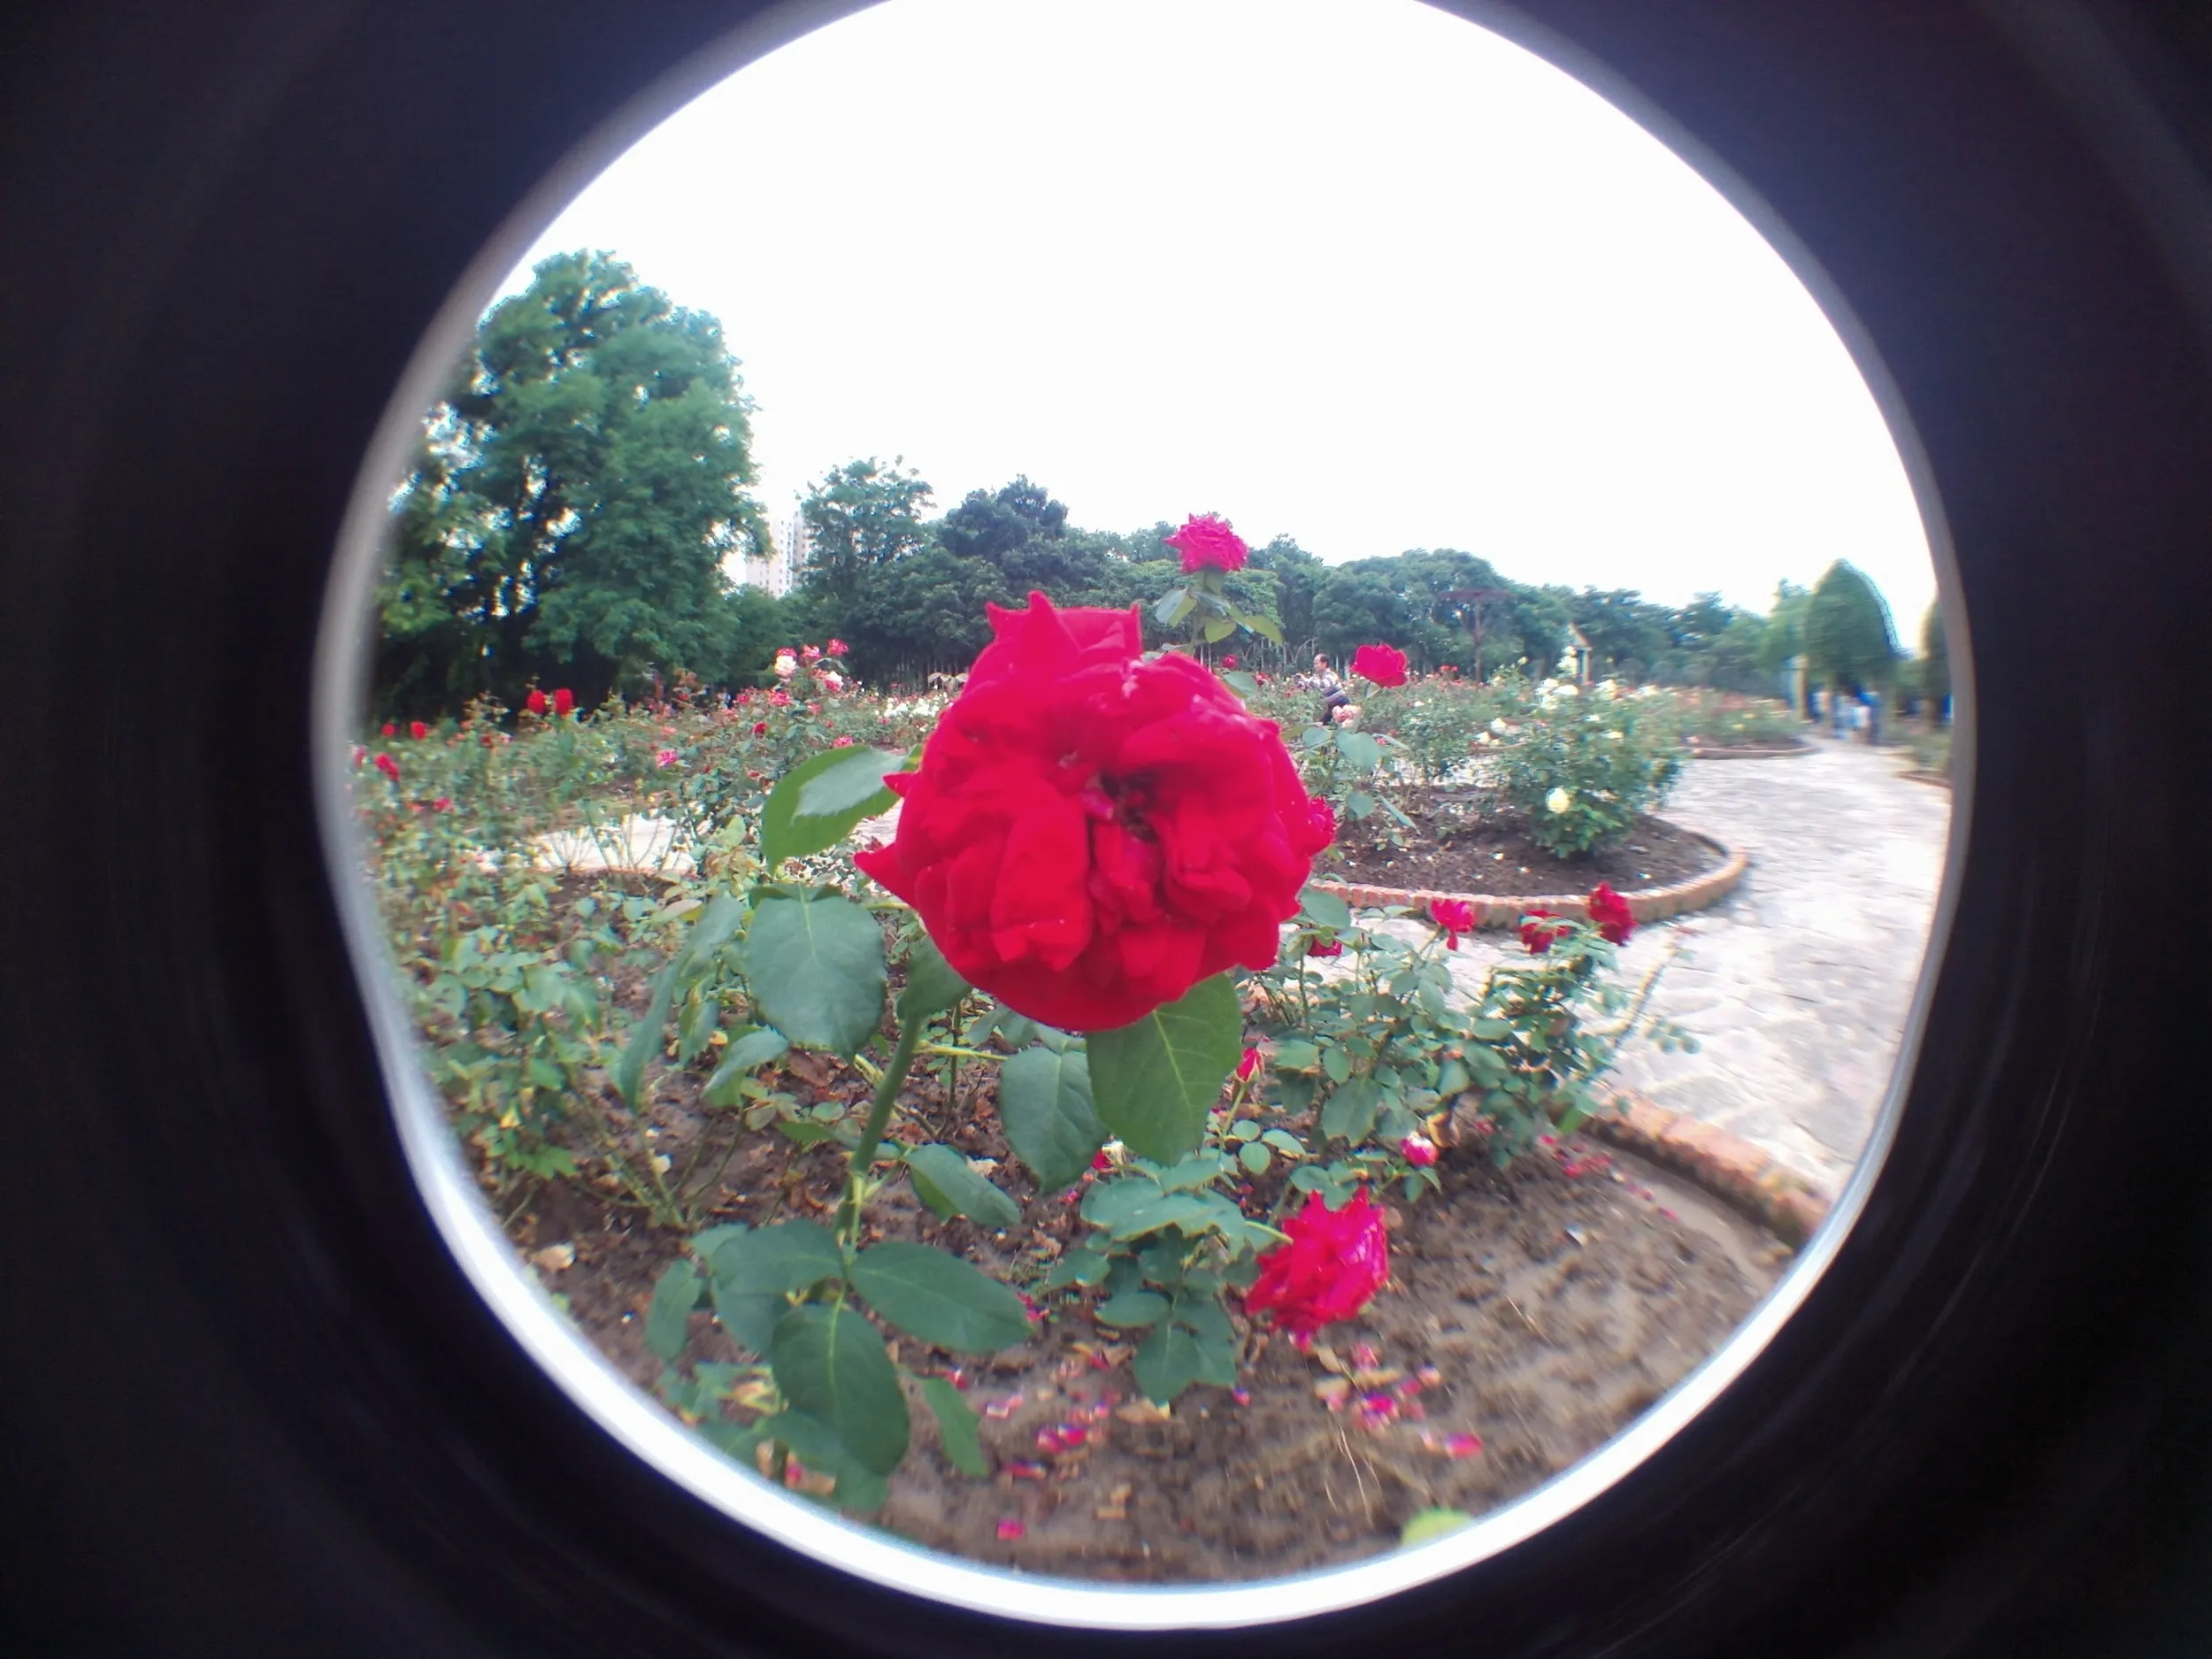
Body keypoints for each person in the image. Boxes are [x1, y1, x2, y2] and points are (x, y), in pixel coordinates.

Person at [1304, 654, 1348, 721]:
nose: (1314, 666)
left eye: (1316, 664)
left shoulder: (1331, 675)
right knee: (1323, 725)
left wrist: (1305, 680)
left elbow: (1323, 684)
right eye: (1314, 664)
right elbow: (1310, 684)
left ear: (1324, 664)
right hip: (1332, 705)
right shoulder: (1317, 676)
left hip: (1341, 703)